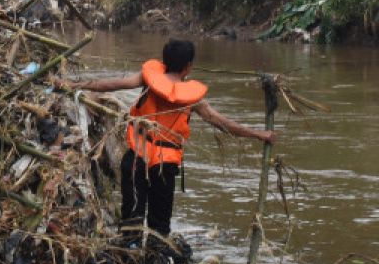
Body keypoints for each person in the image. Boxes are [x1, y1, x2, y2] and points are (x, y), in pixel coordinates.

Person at [66, 39, 276, 245]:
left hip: (137, 159)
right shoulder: (193, 99)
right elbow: (223, 124)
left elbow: (111, 84)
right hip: (164, 166)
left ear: (164, 63)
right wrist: (258, 134)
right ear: (188, 67)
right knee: (160, 224)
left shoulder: (147, 80)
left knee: (132, 219)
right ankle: (156, 256)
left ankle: (131, 253)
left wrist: (72, 85)